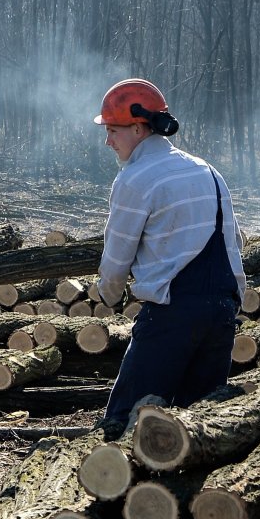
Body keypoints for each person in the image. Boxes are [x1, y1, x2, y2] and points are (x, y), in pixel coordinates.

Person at [93, 78, 246, 427]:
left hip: (172, 315)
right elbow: (234, 241)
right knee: (203, 428)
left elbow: (117, 257)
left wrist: (109, 294)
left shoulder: (135, 178)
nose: (108, 141)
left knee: (123, 423)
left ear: (137, 128)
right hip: (223, 310)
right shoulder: (208, 171)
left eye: (113, 131)